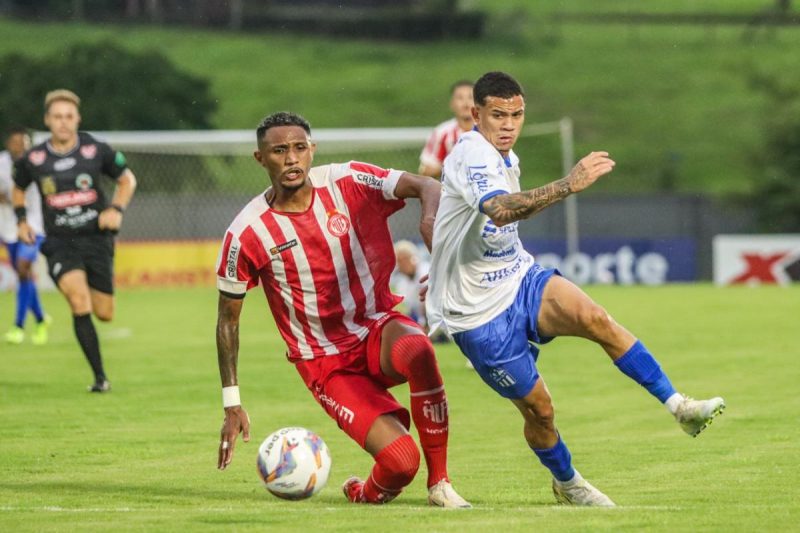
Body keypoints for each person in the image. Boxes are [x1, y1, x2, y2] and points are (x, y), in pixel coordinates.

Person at [425, 72, 725, 507]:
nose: (509, 125)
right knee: (540, 411)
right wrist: (569, 183)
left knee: (595, 317)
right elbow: (501, 210)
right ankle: (567, 483)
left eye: (517, 115)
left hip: (517, 277)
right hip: (475, 314)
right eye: (498, 115)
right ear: (476, 115)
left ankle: (680, 407)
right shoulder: (471, 153)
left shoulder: (507, 156)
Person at [215, 111, 470, 508]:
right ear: (260, 158)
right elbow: (227, 321)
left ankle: (441, 483)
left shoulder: (347, 180)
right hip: (325, 361)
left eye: (299, 148)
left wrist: (430, 223)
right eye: (279, 150)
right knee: (401, 464)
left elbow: (425, 184)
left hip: (375, 326)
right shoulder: (246, 233)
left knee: (418, 349)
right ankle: (364, 491)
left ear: (312, 150)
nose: (291, 158)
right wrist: (232, 402)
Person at [13, 89, 137, 392]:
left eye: (69, 116)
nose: (63, 122)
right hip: (59, 243)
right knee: (78, 301)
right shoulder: (34, 158)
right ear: (47, 120)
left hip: (97, 239)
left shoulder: (96, 150)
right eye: (57, 117)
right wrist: (21, 220)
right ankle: (100, 378)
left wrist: (116, 209)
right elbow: (18, 188)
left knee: (104, 313)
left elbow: (127, 180)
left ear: (77, 119)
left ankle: (99, 374)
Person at [1, 126, 49, 344]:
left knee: (22, 268)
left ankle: (18, 325)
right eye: (17, 143)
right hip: (8, 229)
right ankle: (40, 319)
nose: (21, 147)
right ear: (9, 144)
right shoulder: (1, 163)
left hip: (34, 226)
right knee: (24, 276)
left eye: (25, 144)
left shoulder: (38, 163)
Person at [418, 80, 474, 179]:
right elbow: (425, 171)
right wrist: (452, 166)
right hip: (453, 192)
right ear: (452, 104)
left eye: (470, 97)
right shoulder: (442, 132)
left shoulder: (489, 131)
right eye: (460, 98)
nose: (466, 104)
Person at [390, 240, 429, 327]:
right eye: (399, 261)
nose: (403, 264)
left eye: (405, 259)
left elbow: (428, 303)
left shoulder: (425, 271)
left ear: (413, 258)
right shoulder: (401, 282)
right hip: (419, 319)